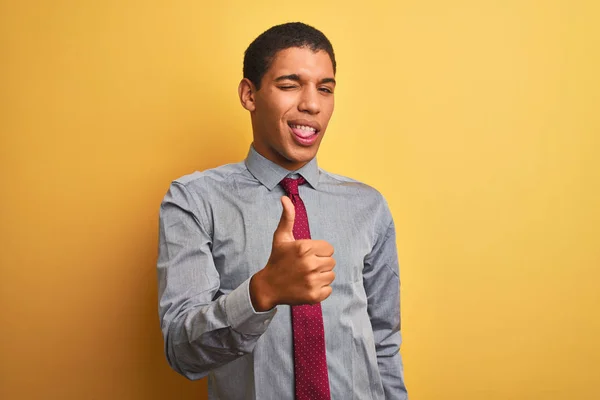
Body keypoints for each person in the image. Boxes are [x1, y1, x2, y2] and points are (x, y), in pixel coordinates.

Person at [157, 22, 408, 399]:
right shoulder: (194, 200)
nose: (312, 103)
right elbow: (183, 352)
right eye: (290, 85)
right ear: (249, 94)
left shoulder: (368, 206)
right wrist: (262, 292)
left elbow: (384, 340)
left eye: (325, 88)